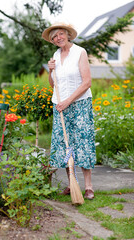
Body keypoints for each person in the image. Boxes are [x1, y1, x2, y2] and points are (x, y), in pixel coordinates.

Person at [42, 22, 96, 200]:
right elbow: (53, 84)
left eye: (60, 34)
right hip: (60, 105)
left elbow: (86, 82)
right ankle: (72, 183)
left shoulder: (80, 52)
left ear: (67, 34)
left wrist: (68, 101)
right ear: (52, 41)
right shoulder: (56, 56)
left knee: (83, 142)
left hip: (79, 104)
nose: (58, 38)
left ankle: (88, 187)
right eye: (54, 37)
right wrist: (50, 71)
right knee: (66, 144)